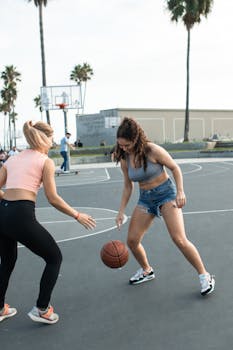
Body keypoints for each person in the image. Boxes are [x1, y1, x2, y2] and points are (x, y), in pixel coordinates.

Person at [0, 121, 96, 324]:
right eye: (51, 137)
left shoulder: (12, 159)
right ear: (45, 138)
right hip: (21, 214)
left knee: (7, 261)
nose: (53, 141)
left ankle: (0, 308)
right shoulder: (45, 161)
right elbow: (53, 198)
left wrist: (8, 198)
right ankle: (42, 309)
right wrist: (77, 215)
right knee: (54, 258)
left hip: (3, 213)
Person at [115, 117, 215, 296]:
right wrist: (121, 212)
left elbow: (175, 168)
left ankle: (205, 276)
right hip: (145, 199)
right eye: (121, 145)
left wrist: (181, 192)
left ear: (135, 139)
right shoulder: (125, 158)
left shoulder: (153, 150)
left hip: (166, 194)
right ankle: (146, 270)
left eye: (127, 145)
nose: (124, 148)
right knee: (132, 240)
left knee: (179, 239)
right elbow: (128, 186)